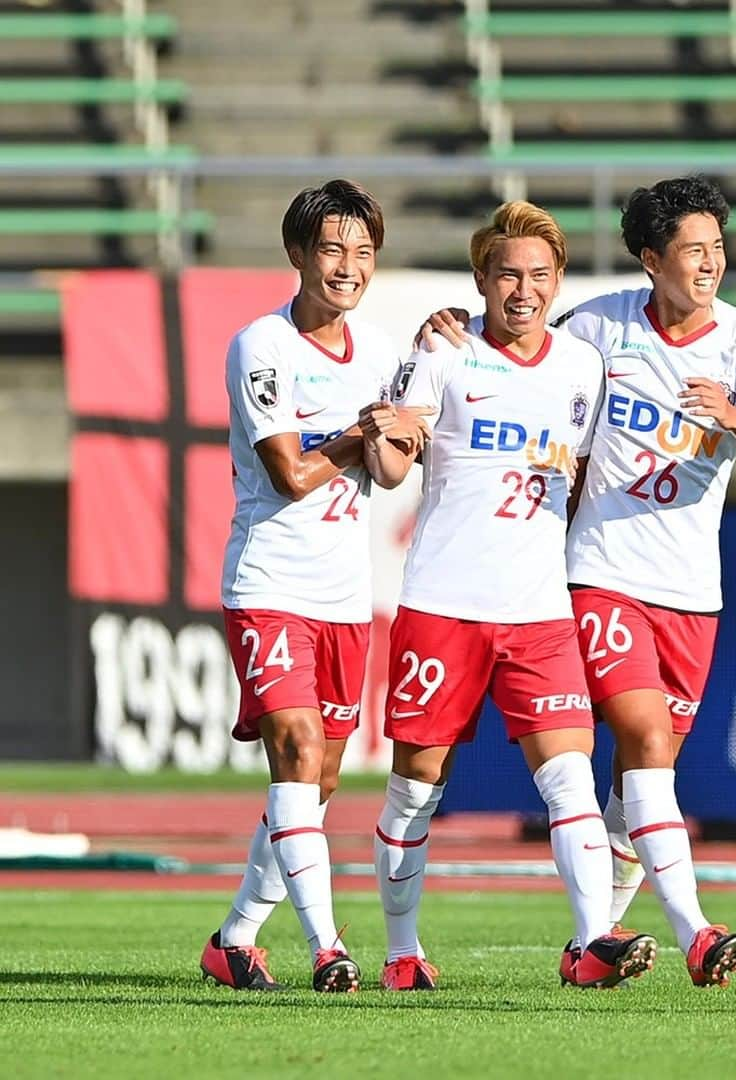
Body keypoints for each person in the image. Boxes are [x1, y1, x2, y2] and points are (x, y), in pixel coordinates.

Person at [420, 176, 736, 987]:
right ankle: (695, 931)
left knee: (637, 785)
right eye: (694, 250)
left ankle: (595, 943)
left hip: (693, 590)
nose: (711, 264)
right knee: (648, 743)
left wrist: (734, 416)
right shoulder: (601, 326)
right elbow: (515, 339)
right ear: (651, 258)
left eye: (718, 248)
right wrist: (443, 330)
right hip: (601, 578)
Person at [366, 200, 658, 992]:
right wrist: (386, 439)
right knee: (415, 793)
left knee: (569, 777)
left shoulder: (581, 366)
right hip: (443, 604)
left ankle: (592, 939)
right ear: (482, 281)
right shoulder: (443, 351)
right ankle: (400, 949)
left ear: (557, 280)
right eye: (506, 275)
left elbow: (584, 475)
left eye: (538, 275)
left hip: (539, 612)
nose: (522, 291)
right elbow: (395, 463)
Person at [200, 179, 430, 993]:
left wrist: (401, 432)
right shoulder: (259, 345)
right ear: (298, 254)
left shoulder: (377, 350)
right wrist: (359, 430)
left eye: (363, 252)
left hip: (343, 593)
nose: (348, 266)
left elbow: (395, 471)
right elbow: (293, 473)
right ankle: (329, 947)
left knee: (318, 780)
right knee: (295, 752)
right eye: (333, 249)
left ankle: (233, 939)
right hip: (269, 582)